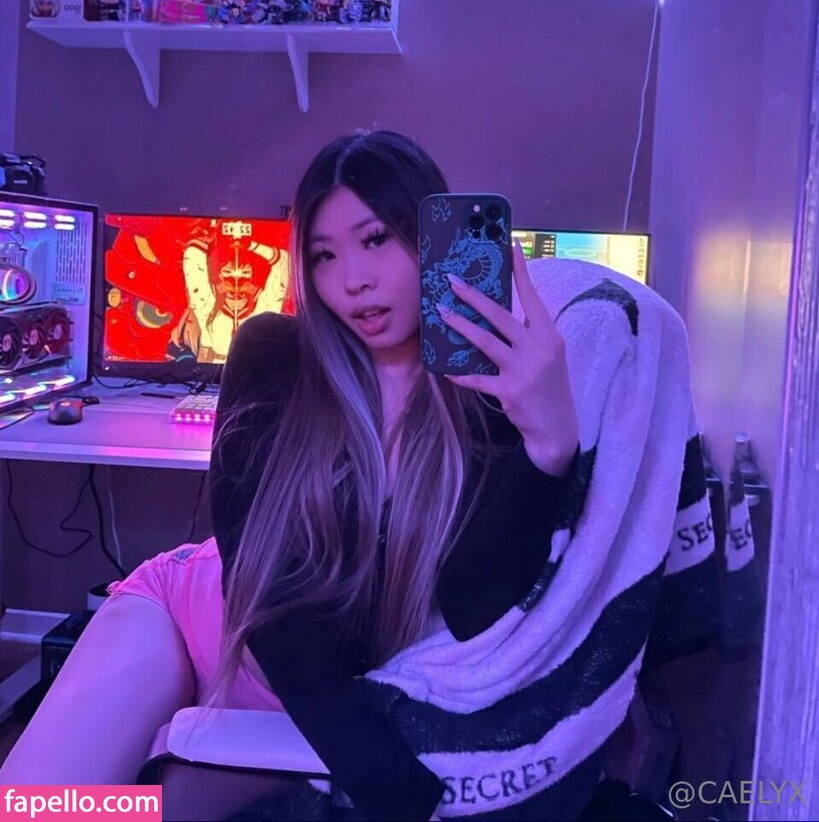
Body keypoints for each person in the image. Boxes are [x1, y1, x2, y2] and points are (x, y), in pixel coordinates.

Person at [1, 129, 677, 821]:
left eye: (375, 239)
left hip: (341, 688)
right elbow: (266, 596)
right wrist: (382, 777)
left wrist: (548, 446)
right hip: (209, 617)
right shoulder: (274, 356)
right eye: (324, 255)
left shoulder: (482, 389)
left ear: (430, 238)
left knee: (145, 808)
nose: (352, 280)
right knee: (40, 809)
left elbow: (473, 606)